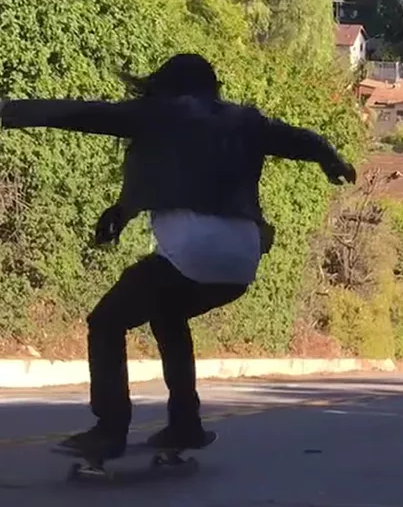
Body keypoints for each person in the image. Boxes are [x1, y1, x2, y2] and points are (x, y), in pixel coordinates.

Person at [0, 54, 356, 460]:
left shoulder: (157, 113)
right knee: (167, 315)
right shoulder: (247, 121)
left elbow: (79, 112)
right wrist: (333, 160)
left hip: (193, 249)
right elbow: (302, 140)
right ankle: (185, 424)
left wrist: (9, 110)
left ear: (166, 85)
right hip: (242, 259)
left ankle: (109, 429)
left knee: (106, 321)